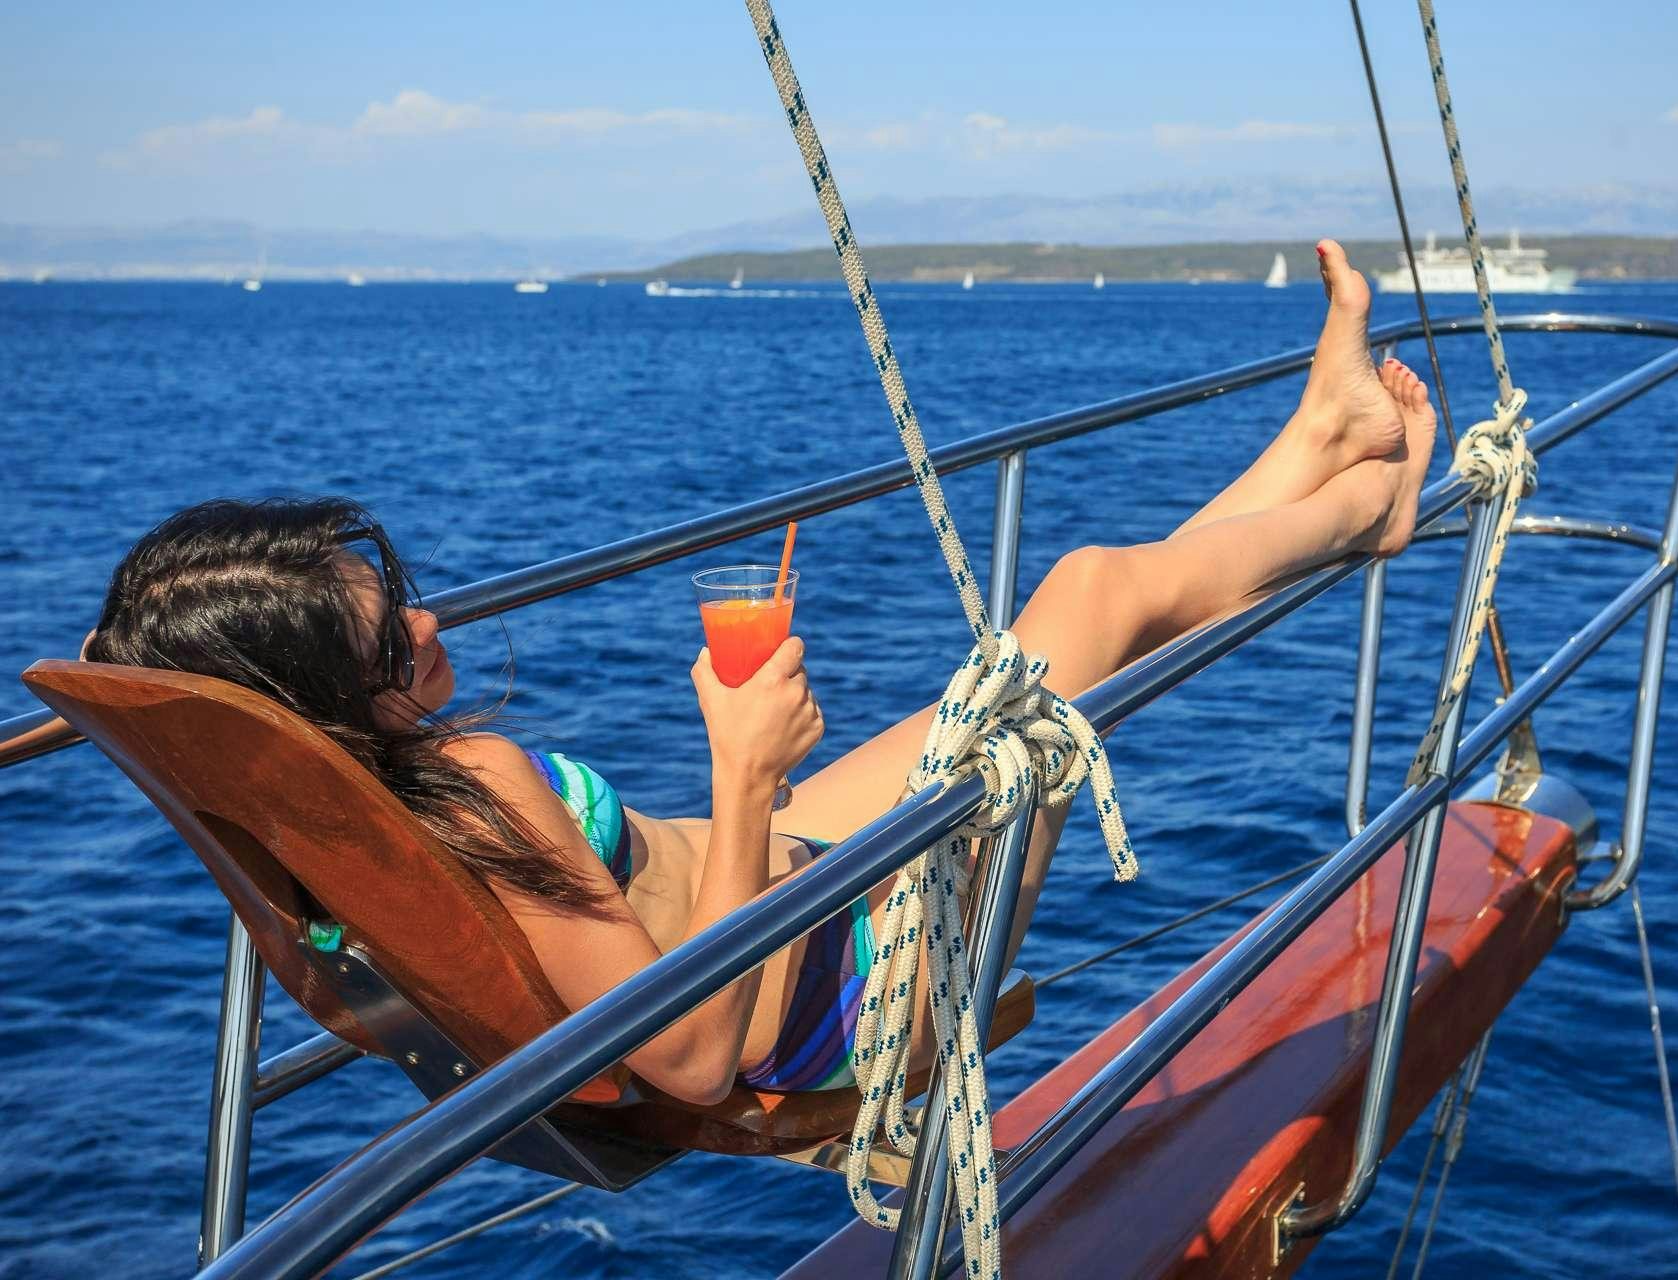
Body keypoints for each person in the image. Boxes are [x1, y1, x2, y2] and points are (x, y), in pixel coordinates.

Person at [81, 241, 1434, 1105]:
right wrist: (743, 770)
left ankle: (1319, 439)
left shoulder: (285, 827)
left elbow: (334, 966)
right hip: (835, 986)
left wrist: (156, 703)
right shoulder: (473, 788)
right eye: (391, 644)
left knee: (1064, 639)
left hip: (783, 892)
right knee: (1087, 593)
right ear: (318, 706)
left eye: (406, 601)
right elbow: (689, 1058)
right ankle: (1370, 508)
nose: (431, 630)